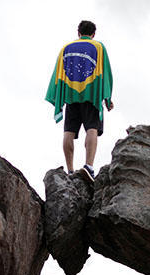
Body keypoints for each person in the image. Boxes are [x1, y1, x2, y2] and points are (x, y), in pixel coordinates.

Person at [45, 20, 113, 182]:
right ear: (93, 34)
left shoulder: (66, 49)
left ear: (78, 32)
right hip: (91, 93)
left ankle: (70, 170)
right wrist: (107, 98)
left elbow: (58, 73)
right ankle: (88, 166)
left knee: (69, 130)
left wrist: (58, 97)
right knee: (92, 128)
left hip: (70, 94)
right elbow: (106, 72)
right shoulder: (98, 47)